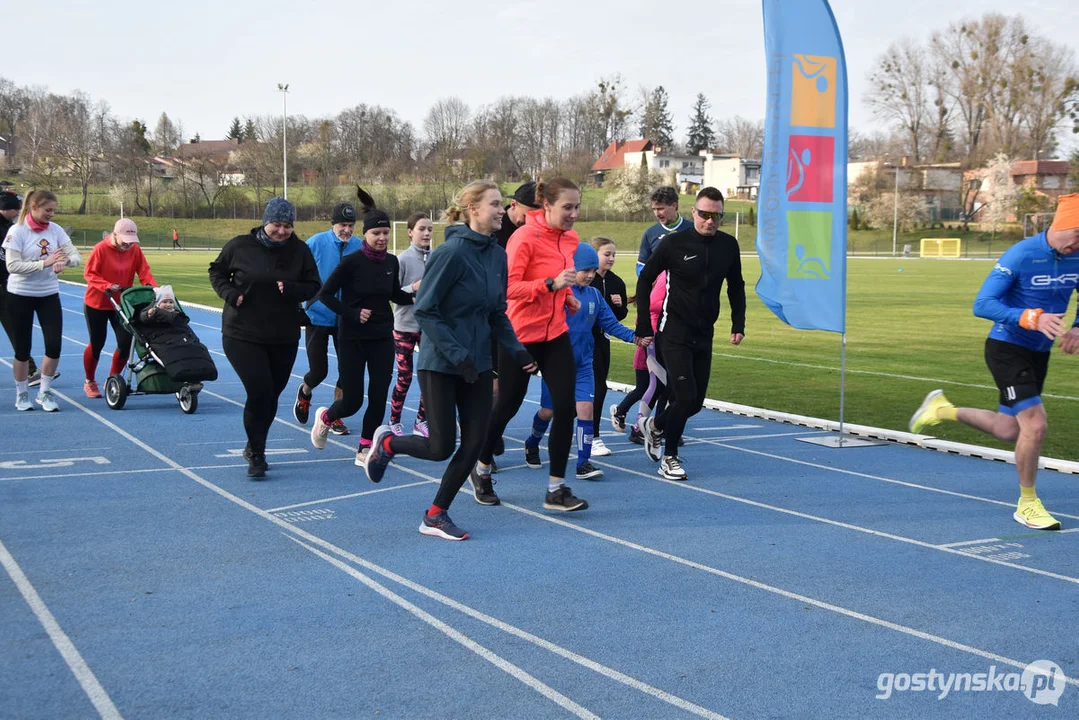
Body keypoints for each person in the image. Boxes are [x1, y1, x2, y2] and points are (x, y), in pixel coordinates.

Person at [364, 180, 535, 541]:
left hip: (477, 364)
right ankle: (389, 444)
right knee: (439, 447)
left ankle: (436, 514)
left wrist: (518, 351)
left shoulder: (496, 255)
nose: (502, 210)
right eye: (495, 204)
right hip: (442, 363)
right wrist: (458, 356)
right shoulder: (451, 254)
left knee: (475, 443)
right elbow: (425, 311)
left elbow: (497, 313)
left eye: (502, 205)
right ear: (473, 209)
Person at [909, 193, 1079, 531]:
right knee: (1036, 425)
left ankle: (940, 409)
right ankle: (1027, 504)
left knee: (1008, 430)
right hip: (1006, 347)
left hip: (1039, 353)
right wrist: (1029, 317)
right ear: (1065, 226)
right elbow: (983, 303)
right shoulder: (1021, 254)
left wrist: (1077, 327)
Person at [471, 177, 588, 512]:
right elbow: (508, 289)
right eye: (567, 207)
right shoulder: (524, 236)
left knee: (565, 406)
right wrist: (550, 285)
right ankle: (480, 469)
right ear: (547, 206)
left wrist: (567, 298)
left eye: (577, 207)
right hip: (520, 335)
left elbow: (562, 277)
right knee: (507, 403)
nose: (574, 214)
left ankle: (556, 489)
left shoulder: (571, 239)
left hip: (555, 334)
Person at [635, 186, 746, 481]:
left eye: (717, 216)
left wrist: (738, 323)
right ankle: (669, 457)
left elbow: (736, 286)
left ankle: (655, 425)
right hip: (673, 332)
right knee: (683, 397)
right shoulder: (674, 244)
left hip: (704, 333)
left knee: (695, 403)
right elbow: (645, 280)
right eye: (705, 214)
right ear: (694, 213)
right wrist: (644, 324)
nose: (710, 221)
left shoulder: (728, 246)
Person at [209, 197, 321, 478]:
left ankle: (254, 443)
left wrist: (293, 289)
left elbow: (314, 285)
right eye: (276, 225)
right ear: (265, 221)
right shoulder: (239, 246)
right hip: (242, 332)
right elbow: (217, 271)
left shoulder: (300, 251)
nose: (282, 231)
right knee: (259, 391)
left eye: (287, 226)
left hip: (283, 334)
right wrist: (231, 294)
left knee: (272, 395)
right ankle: (257, 453)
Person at [523, 243, 646, 480]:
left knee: (586, 410)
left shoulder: (594, 296)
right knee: (548, 411)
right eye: (584, 270)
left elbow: (610, 324)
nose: (590, 275)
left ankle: (583, 462)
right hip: (556, 365)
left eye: (592, 269)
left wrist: (635, 338)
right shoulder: (558, 295)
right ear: (572, 268)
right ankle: (532, 442)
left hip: (583, 364)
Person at [309, 200, 417, 464]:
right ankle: (325, 417)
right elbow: (324, 295)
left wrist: (414, 294)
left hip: (381, 337)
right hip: (352, 338)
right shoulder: (351, 262)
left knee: (379, 395)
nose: (381, 238)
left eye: (385, 233)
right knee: (353, 400)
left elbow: (392, 294)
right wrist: (352, 313)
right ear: (365, 235)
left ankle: (365, 447)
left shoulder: (391, 262)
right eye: (376, 233)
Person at [2, 190, 82, 412]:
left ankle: (45, 392)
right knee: (22, 349)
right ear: (33, 208)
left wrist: (64, 260)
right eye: (48, 210)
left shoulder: (55, 230)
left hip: (48, 295)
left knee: (54, 346)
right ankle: (22, 394)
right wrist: (44, 264)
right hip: (20, 295)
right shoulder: (17, 231)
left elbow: (76, 256)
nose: (52, 214)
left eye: (54, 210)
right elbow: (12, 266)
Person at [291, 197, 364, 436]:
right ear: (333, 224)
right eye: (342, 224)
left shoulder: (359, 246)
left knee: (348, 370)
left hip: (346, 318)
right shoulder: (315, 243)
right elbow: (297, 274)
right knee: (319, 371)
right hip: (318, 316)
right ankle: (305, 391)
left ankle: (336, 415)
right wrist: (300, 306)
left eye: (351, 225)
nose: (347, 229)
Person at [81, 218, 157, 398]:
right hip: (97, 302)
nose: (128, 246)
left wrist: (152, 289)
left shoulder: (135, 250)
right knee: (97, 342)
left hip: (122, 303)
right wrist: (105, 285)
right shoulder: (100, 249)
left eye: (131, 242)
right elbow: (89, 273)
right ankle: (89, 381)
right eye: (124, 242)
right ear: (114, 235)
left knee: (125, 343)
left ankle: (112, 379)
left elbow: (144, 271)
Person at [388, 212, 431, 437]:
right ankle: (394, 419)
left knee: (429, 376)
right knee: (404, 376)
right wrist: (413, 288)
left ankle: (421, 420)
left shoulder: (436, 257)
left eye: (429, 229)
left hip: (429, 328)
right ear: (410, 232)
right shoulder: (402, 259)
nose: (426, 233)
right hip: (405, 325)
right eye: (422, 229)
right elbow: (393, 293)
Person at [588, 236, 628, 457]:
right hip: (584, 340)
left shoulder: (616, 282)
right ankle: (592, 436)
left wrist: (619, 307)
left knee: (599, 387)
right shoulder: (585, 279)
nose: (611, 258)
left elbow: (619, 317)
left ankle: (589, 433)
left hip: (604, 340)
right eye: (607, 254)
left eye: (614, 254)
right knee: (595, 388)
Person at [0, 192, 41, 385]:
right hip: (4, 285)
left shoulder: (11, 227)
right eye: (15, 209)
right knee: (15, 330)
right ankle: (31, 370)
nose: (17, 212)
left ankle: (31, 370)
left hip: (7, 285)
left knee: (16, 329)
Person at [636, 186, 690, 276]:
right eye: (654, 209)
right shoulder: (650, 233)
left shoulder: (693, 229)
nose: (657, 214)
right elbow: (641, 265)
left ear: (674, 205)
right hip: (660, 289)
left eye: (660, 209)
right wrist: (648, 278)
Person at [494, 181, 539, 248]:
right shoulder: (494, 228)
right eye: (525, 216)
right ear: (513, 204)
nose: (530, 222)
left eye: (537, 218)